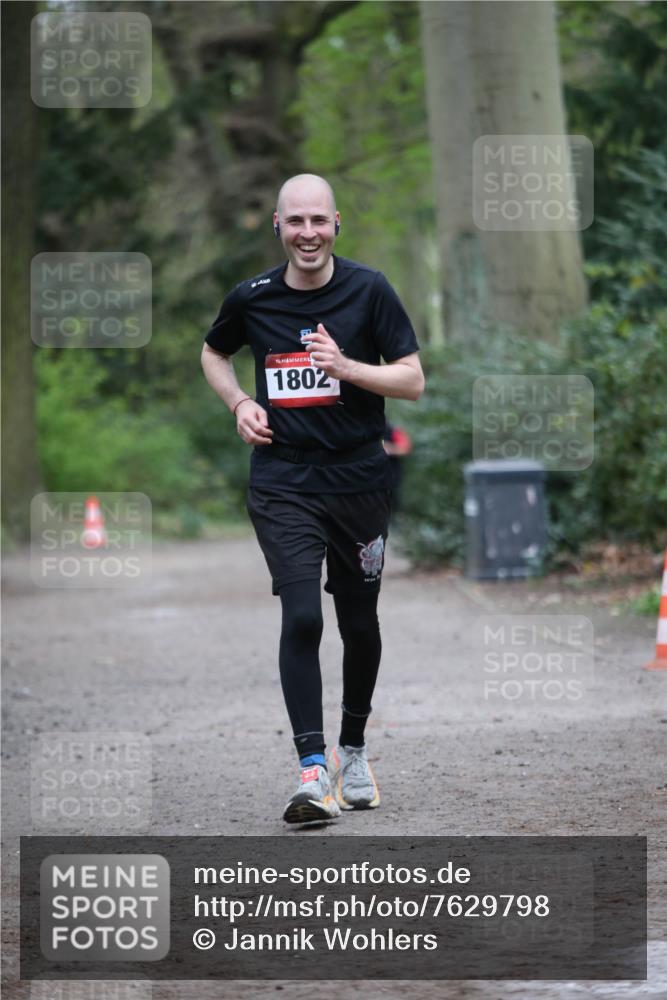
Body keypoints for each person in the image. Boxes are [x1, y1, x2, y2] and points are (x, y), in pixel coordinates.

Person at [201, 173, 424, 824]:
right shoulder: (253, 298)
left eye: (318, 221)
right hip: (282, 481)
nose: (307, 233)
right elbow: (213, 354)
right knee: (302, 618)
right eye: (294, 221)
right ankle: (311, 771)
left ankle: (352, 749)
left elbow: (410, 380)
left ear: (335, 225)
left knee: (358, 621)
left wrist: (348, 368)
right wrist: (240, 401)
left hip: (357, 479)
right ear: (277, 225)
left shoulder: (368, 290)